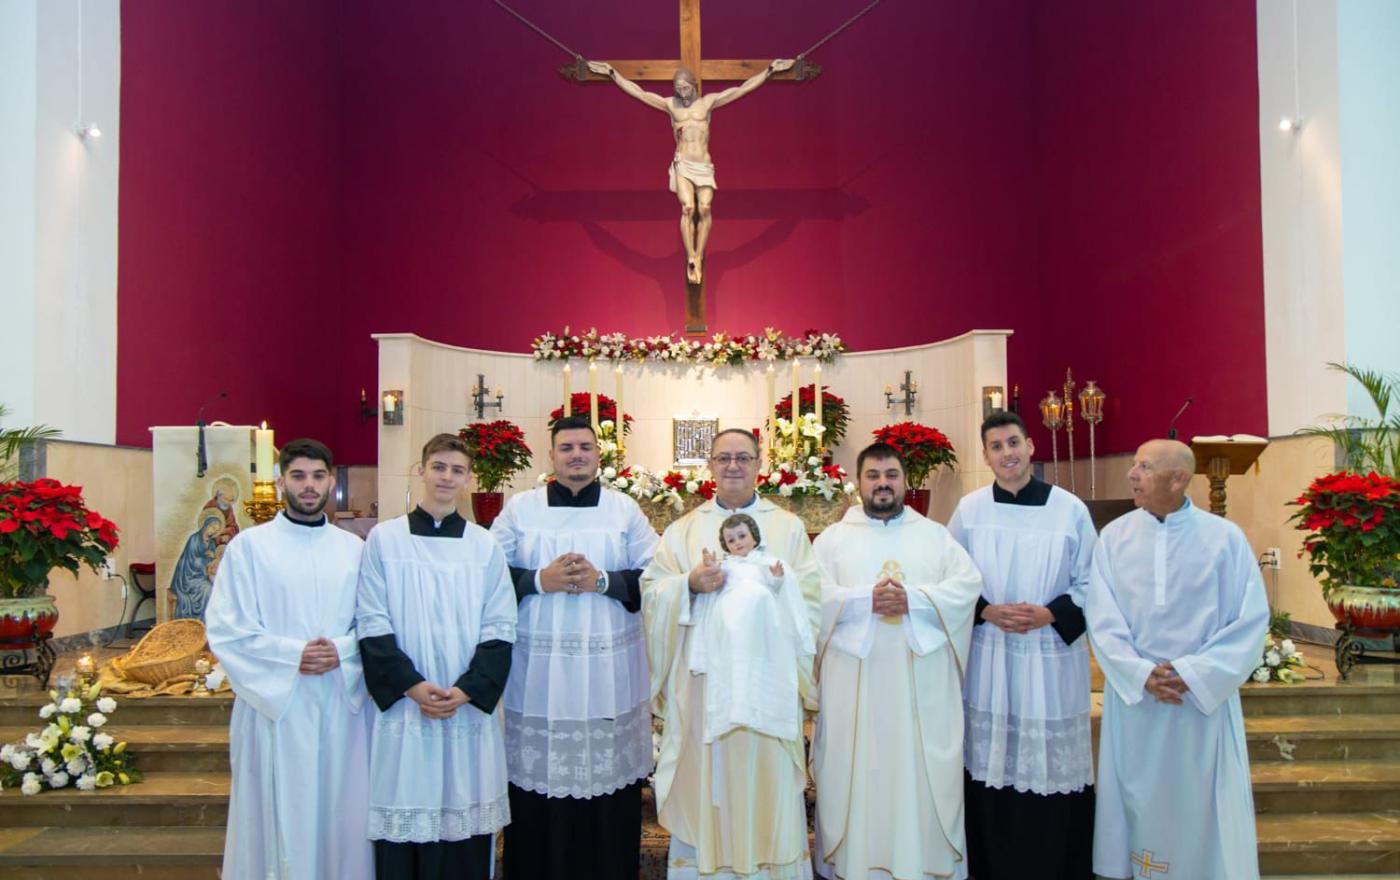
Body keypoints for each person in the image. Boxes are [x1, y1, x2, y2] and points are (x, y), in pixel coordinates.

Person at [641, 428, 820, 880]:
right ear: (710, 466)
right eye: (724, 458)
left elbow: (813, 600)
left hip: (769, 688)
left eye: (743, 457)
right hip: (704, 691)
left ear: (759, 463)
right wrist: (689, 585)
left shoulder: (787, 527)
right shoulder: (683, 530)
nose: (734, 465)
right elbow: (652, 590)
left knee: (767, 788)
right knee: (710, 784)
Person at [1087, 438, 1268, 880]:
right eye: (1134, 464)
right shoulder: (1114, 538)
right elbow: (1101, 616)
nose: (1132, 475)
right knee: (1137, 797)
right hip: (1138, 702)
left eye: (1144, 467)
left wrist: (1192, 674)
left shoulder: (1224, 539)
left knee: (1199, 802)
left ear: (1179, 478)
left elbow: (1250, 620)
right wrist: (1141, 673)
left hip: (1198, 704)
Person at [488, 416, 659, 880]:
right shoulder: (521, 510)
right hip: (539, 678)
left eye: (585, 447)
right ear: (552, 456)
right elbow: (481, 573)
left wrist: (604, 580)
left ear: (599, 456)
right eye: (567, 448)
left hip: (608, 678)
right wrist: (536, 580)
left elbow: (660, 577)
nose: (576, 455)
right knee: (536, 802)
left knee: (609, 803)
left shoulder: (624, 511)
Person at [811, 442, 982, 880]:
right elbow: (811, 598)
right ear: (859, 482)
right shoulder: (831, 541)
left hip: (919, 689)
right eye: (873, 475)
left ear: (906, 481)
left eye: (891, 474)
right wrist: (863, 600)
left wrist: (915, 601)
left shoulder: (935, 535)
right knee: (858, 774)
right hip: (855, 689)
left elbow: (966, 588)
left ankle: (921, 864)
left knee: (917, 775)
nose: (883, 483)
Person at [205, 438, 372, 880]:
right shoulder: (249, 548)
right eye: (298, 476)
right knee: (280, 811)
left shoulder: (354, 548)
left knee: (340, 810)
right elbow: (226, 627)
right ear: (280, 482)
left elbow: (374, 623)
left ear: (331, 482)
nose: (309, 485)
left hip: (341, 705)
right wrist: (292, 655)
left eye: (318, 476)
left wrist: (342, 650)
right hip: (276, 705)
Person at [356, 433, 517, 880]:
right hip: (407, 710)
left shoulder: (484, 546)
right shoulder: (385, 541)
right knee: (405, 817)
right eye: (439, 467)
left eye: (457, 470)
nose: (447, 477)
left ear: (469, 479)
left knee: (463, 821)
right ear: (421, 470)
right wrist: (412, 686)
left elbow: (501, 625)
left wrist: (467, 690)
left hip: (464, 709)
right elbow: (372, 621)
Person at [947, 410, 1097, 880]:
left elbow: (1095, 581)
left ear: (1031, 446)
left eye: (1014, 443)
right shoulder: (970, 511)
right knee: (989, 761)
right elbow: (947, 579)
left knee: (1047, 766)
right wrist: (986, 610)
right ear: (986, 456)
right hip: (990, 655)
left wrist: (1050, 612)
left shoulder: (1069, 509)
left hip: (1049, 659)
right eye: (996, 446)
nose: (1007, 453)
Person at [586, 58, 796, 285]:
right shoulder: (670, 105)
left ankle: (699, 252)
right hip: (683, 163)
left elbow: (741, 89)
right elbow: (639, 93)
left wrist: (769, 71)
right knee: (688, 208)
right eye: (678, 90)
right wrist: (612, 74)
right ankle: (692, 257)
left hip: (703, 165)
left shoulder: (708, 103)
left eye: (685, 89)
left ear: (694, 85)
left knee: (704, 208)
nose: (682, 94)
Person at [686, 513, 814, 746]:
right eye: (731, 540)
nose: (738, 542)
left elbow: (779, 592)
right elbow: (715, 587)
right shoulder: (727, 566)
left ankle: (762, 709)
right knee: (736, 668)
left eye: (742, 535)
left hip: (760, 625)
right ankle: (735, 710)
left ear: (754, 536)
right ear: (726, 545)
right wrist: (711, 566)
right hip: (733, 625)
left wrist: (776, 579)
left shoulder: (767, 563)